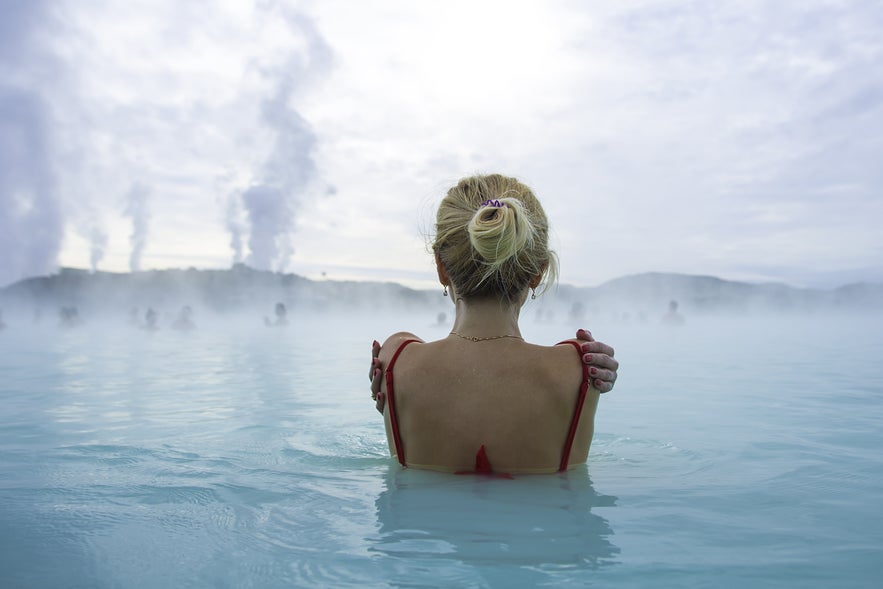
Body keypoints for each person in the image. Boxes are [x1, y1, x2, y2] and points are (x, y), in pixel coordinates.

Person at [368, 174, 619, 475]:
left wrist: (394, 384)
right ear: (538, 272)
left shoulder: (395, 357)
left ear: (441, 268)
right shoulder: (581, 366)